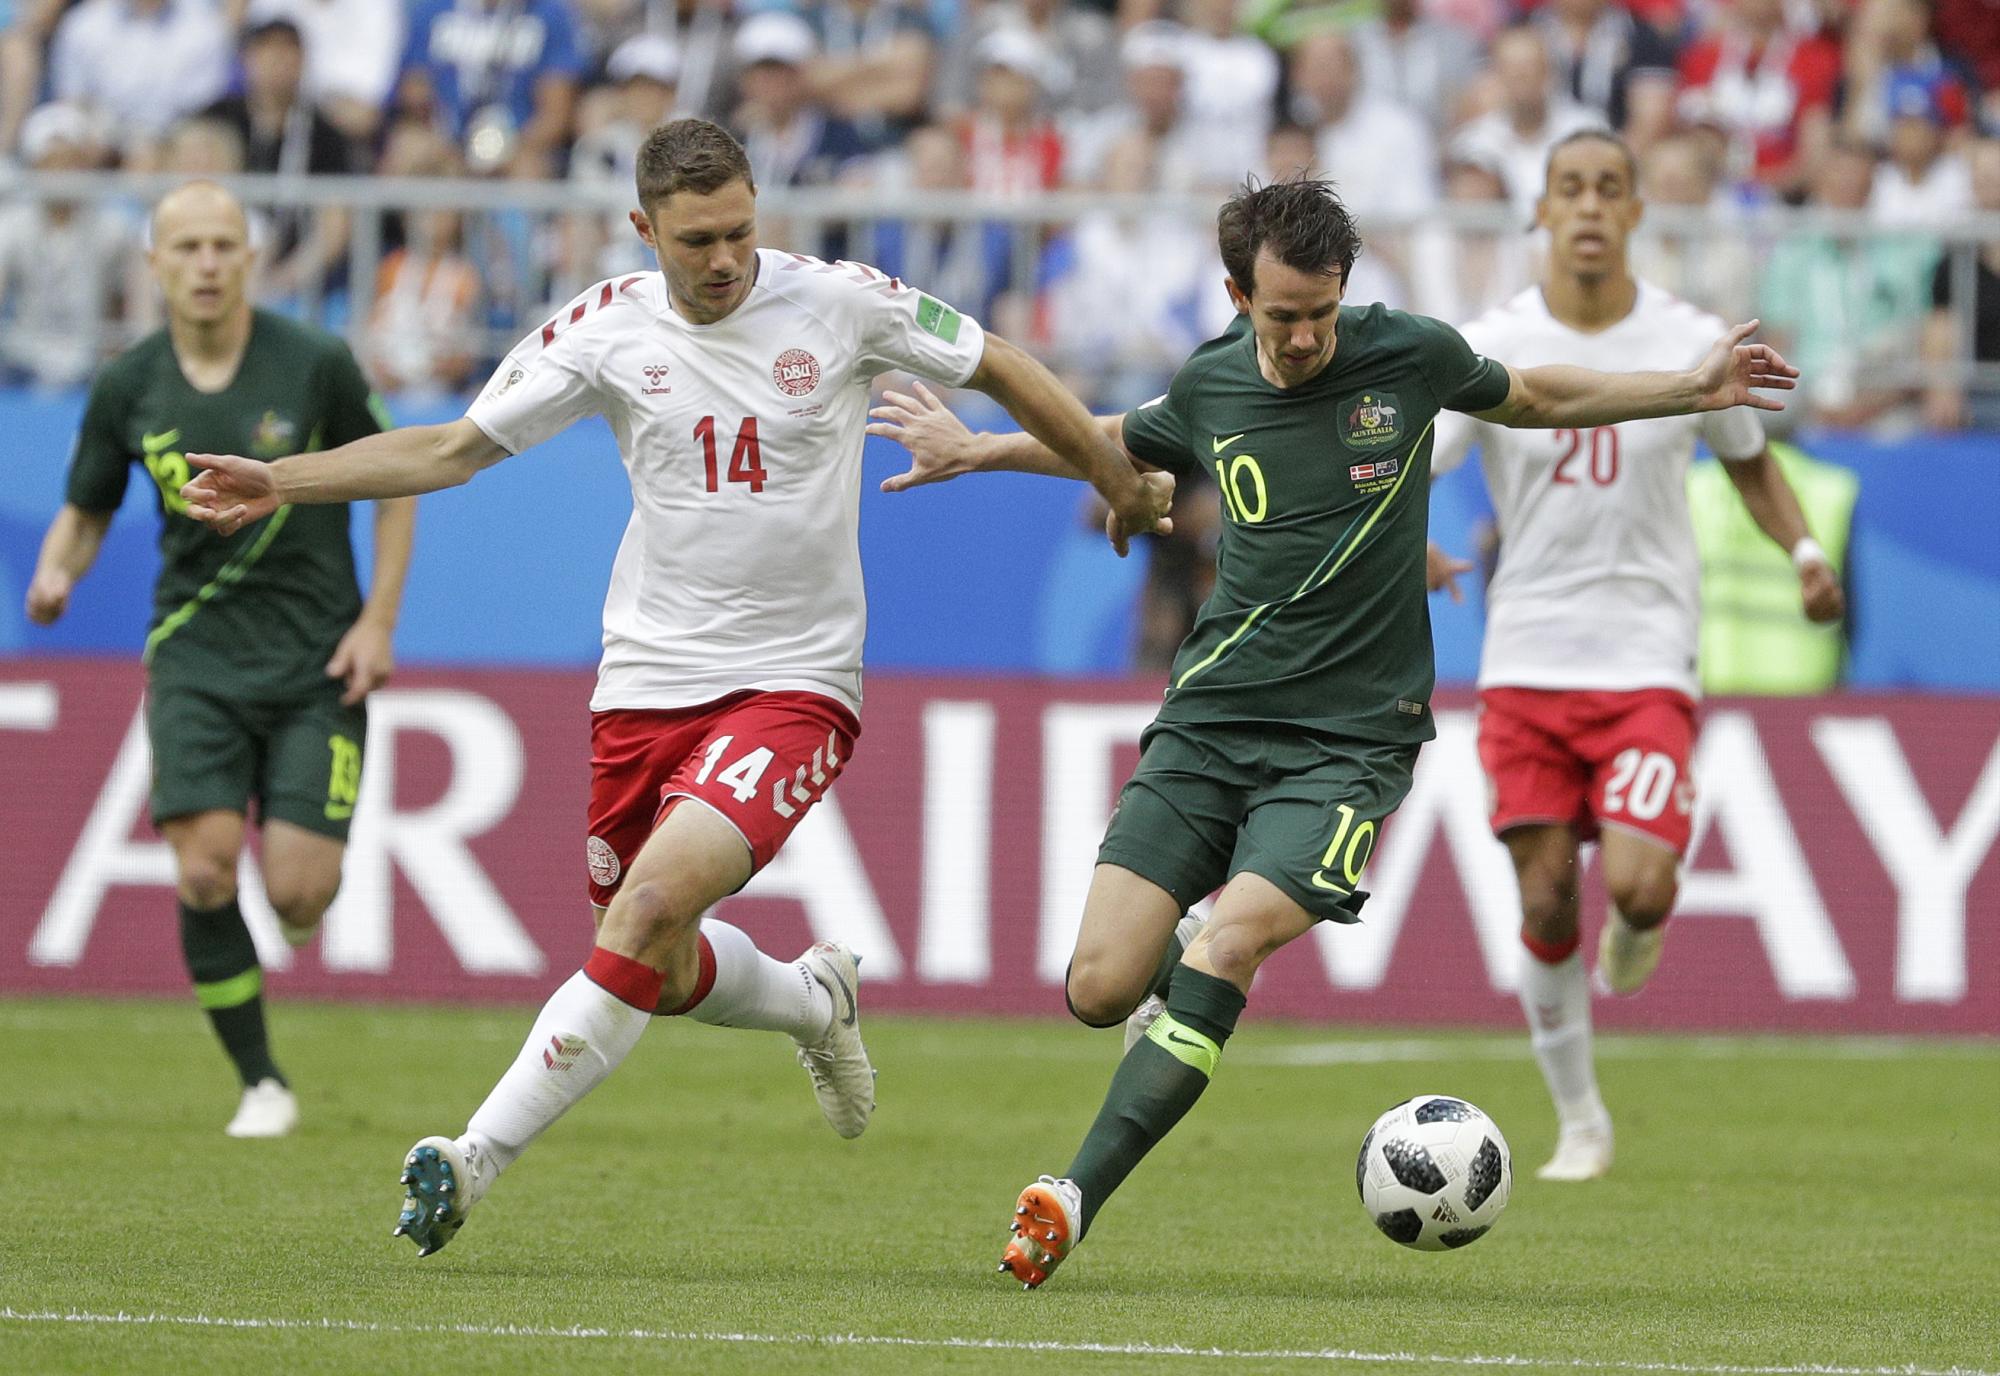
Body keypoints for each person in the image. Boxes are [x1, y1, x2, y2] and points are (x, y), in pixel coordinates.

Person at [178, 117, 1171, 1257]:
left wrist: (1111, 478)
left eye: (741, 231)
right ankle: (813, 1000)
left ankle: (471, 1155)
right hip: (643, 682)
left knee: (645, 912)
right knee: (645, 951)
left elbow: (998, 362)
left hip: (794, 683)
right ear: (642, 228)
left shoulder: (841, 302)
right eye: (696, 239)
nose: (724, 259)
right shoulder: (604, 328)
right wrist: (282, 481)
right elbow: (453, 450)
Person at [865, 171, 1802, 1288]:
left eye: (1319, 310)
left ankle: (1070, 1191)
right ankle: (1168, 1009)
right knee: (1098, 987)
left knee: (1228, 941)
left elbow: (1538, 397)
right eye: (1280, 315)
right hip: (1210, 718)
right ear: (1235, 294)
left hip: (1348, 744)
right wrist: (980, 448)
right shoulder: (1212, 379)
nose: (1304, 335)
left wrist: (1683, 391)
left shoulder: (1405, 355)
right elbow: (1118, 437)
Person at [1430, 131, 1845, 1182]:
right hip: (1524, 650)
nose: (1584, 206)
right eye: (1566, 187)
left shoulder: (1688, 336)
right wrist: (1409, 541)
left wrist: (1800, 548)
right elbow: (1405, 466)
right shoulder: (1488, 345)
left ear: (1631, 215)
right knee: (1539, 901)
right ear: (1538, 210)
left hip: (1646, 653)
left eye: (1606, 189)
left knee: (1640, 886)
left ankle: (1640, 924)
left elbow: (1750, 462)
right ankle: (1579, 1119)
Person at [24, 180, 414, 1138]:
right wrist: (54, 573)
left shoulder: (314, 362)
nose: (204, 264)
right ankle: (261, 1082)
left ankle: (294, 912)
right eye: (185, 247)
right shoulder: (129, 385)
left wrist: (379, 622)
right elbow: (87, 507)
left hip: (318, 658)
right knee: (201, 871)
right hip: (194, 657)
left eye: (221, 246)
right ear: (154, 263)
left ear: (249, 258)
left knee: (297, 891)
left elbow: (398, 479)